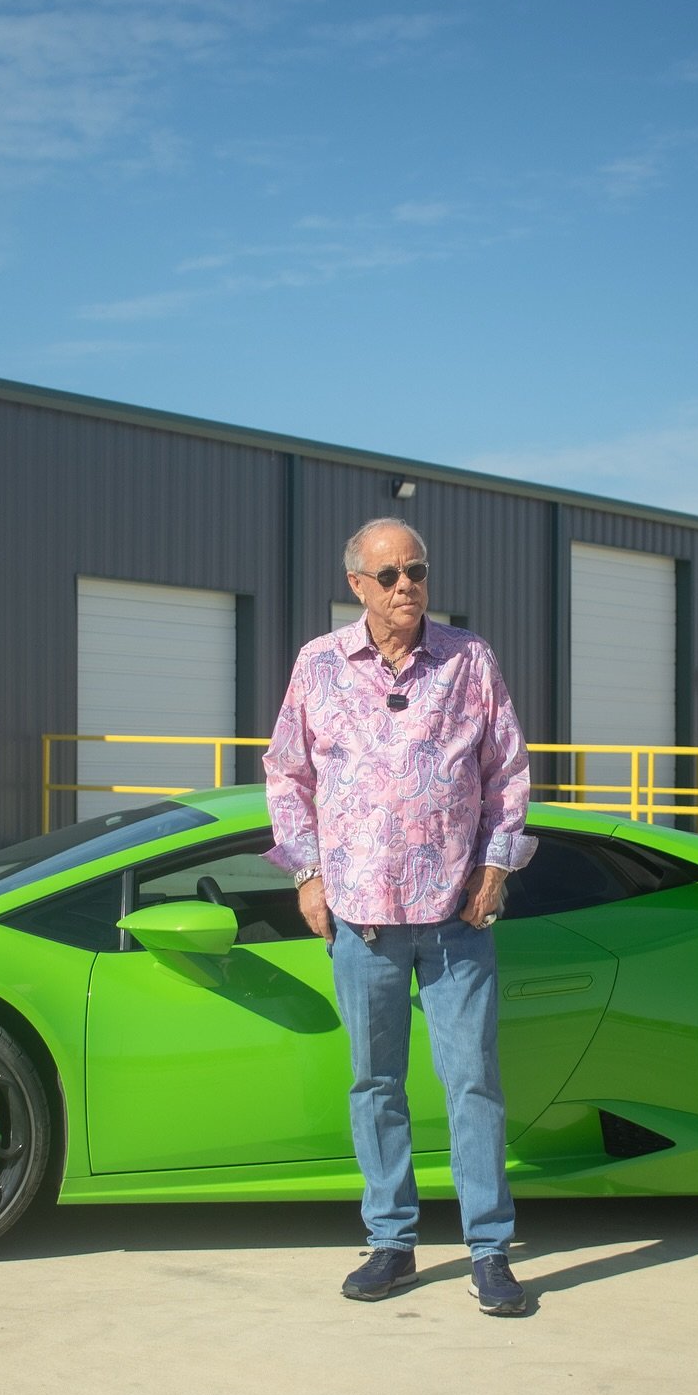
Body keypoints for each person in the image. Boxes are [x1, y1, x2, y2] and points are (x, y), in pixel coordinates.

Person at [263, 518, 537, 1316]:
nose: (405, 586)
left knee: (473, 1083)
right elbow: (288, 776)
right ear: (357, 585)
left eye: (415, 571)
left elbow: (508, 773)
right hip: (361, 919)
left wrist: (495, 868)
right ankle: (392, 1240)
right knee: (375, 1082)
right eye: (387, 575)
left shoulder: (469, 661)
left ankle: (489, 1249)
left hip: (457, 915)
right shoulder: (319, 665)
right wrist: (308, 875)